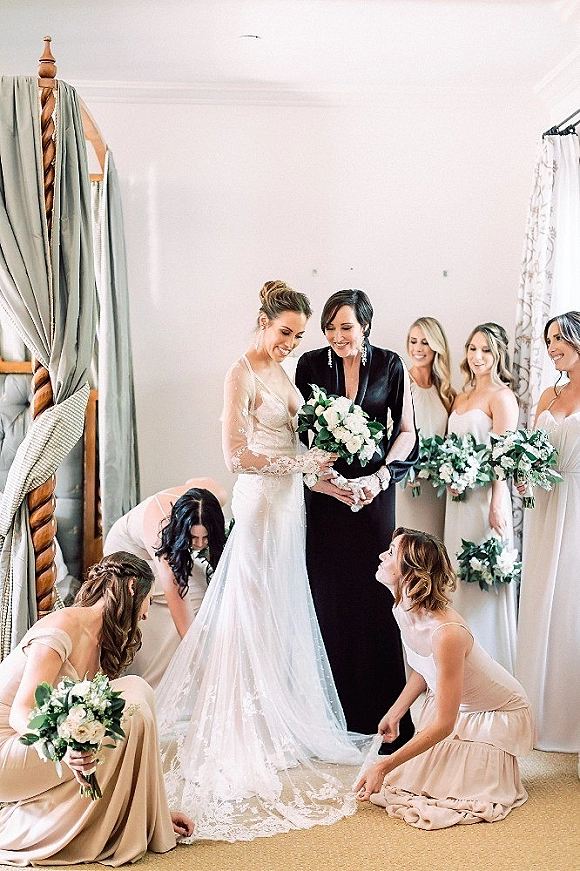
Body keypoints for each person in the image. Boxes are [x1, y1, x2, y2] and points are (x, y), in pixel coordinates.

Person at [155, 280, 364, 843]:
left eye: (298, 336)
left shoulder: (284, 372)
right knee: (252, 609)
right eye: (284, 333)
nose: (290, 344)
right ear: (264, 322)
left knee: (282, 610)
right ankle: (247, 729)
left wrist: (333, 482)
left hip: (290, 507)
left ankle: (279, 722)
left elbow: (298, 451)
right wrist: (300, 466)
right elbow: (235, 456)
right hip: (259, 506)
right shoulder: (240, 373)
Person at [0, 551, 194, 865]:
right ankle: (27, 828)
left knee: (132, 698)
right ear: (132, 587)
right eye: (148, 601)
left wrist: (154, 810)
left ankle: (130, 816)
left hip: (34, 750)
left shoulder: (100, 645)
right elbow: (21, 713)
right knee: (132, 696)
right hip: (9, 751)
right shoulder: (63, 625)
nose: (146, 615)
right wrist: (63, 746)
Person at [295, 289, 418, 738]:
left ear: (365, 325)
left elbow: (406, 432)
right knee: (327, 595)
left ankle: (382, 715)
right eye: (329, 328)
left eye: (345, 327)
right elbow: (298, 434)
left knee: (376, 593)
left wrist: (381, 478)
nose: (337, 336)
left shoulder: (390, 365)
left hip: (374, 495)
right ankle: (330, 717)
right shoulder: (309, 365)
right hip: (325, 493)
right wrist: (320, 477)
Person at [355, 528, 534, 830]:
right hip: (454, 705)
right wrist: (396, 712)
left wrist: (384, 764)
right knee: (414, 781)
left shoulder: (447, 632)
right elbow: (425, 667)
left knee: (459, 796)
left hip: (497, 711)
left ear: (411, 573)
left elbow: (444, 724)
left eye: (392, 552)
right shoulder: (401, 609)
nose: (382, 556)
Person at [515, 311, 580, 770]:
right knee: (543, 599)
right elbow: (532, 454)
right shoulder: (547, 395)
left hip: (576, 505)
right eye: (548, 340)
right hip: (544, 506)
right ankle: (537, 715)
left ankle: (569, 720)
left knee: (571, 601)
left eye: (559, 339)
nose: (551, 347)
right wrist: (523, 477)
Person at [443, 323, 519, 672]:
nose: (478, 356)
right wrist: (449, 476)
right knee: (458, 579)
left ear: (498, 354)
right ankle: (458, 668)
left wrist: (498, 502)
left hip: (485, 503)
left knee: (481, 582)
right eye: (473, 348)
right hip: (458, 503)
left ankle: (489, 668)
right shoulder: (461, 397)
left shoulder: (502, 398)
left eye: (486, 350)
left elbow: (504, 455)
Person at [104, 480, 227, 688]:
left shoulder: (213, 496)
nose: (199, 545)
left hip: (164, 546)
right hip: (129, 556)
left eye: (206, 538)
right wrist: (203, 671)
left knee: (205, 586)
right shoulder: (161, 535)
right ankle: (160, 682)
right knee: (195, 598)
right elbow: (180, 608)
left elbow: (190, 483)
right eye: (193, 537)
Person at [397, 316, 454, 539]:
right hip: (407, 482)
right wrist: (405, 468)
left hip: (435, 487)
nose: (417, 349)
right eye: (413, 341)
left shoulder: (445, 392)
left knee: (433, 544)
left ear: (436, 346)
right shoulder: (401, 382)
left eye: (425, 342)